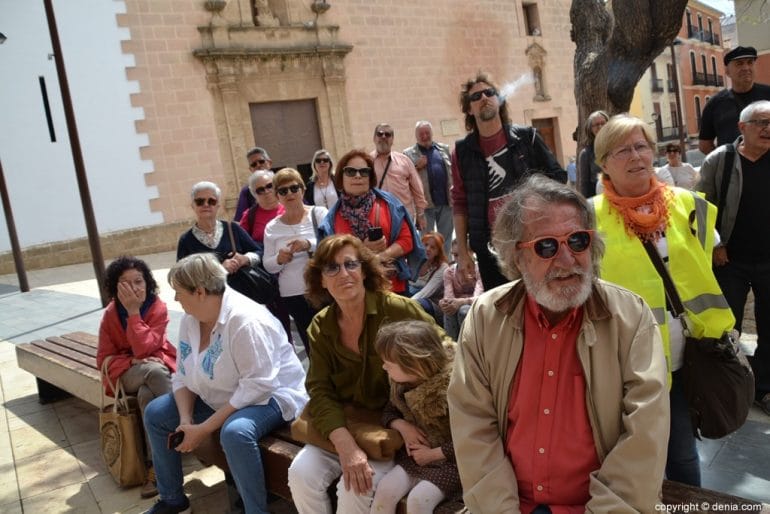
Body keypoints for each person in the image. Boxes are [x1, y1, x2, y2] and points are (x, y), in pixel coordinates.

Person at [447, 174, 670, 513]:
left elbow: (645, 436)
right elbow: (472, 425)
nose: (567, 260)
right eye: (547, 246)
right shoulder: (485, 317)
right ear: (517, 257)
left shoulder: (631, 317)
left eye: (577, 241)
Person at [593, 114, 736, 486]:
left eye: (641, 146)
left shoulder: (688, 204)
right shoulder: (588, 217)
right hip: (626, 361)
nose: (636, 156)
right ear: (604, 162)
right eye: (622, 150)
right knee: (631, 455)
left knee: (683, 456)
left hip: (687, 355)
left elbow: (706, 265)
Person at [287, 235, 444, 514]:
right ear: (321, 279)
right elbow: (320, 391)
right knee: (300, 474)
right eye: (332, 268)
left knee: (357, 486)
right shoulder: (320, 326)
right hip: (345, 423)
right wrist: (346, 445)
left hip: (394, 427)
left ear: (364, 270)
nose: (343, 273)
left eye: (351, 264)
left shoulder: (396, 309)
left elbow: (444, 355)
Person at [142, 253, 307, 514]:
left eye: (178, 292)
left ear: (199, 292)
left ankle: (256, 511)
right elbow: (183, 375)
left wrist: (204, 428)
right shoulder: (190, 319)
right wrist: (185, 420)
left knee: (235, 433)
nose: (175, 299)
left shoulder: (245, 321)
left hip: (271, 396)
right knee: (156, 413)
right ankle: (173, 500)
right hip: (221, 394)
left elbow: (257, 387)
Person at [451, 71, 567, 292]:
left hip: (532, 238)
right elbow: (459, 202)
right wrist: (463, 253)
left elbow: (558, 177)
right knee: (504, 305)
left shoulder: (527, 138)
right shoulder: (462, 152)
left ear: (499, 99)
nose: (484, 98)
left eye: (489, 93)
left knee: (542, 297)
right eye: (476, 96)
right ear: (469, 109)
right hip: (489, 248)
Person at [699, 100, 770, 415]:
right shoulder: (720, 160)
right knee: (727, 328)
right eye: (762, 122)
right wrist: (716, 245)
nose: (768, 129)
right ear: (742, 127)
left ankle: (763, 389)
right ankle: (727, 388)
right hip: (730, 262)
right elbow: (700, 207)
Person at [97, 256, 177, 499]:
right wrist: (131, 361)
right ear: (115, 287)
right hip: (126, 373)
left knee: (146, 396)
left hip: (154, 369)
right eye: (125, 283)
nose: (133, 288)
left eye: (138, 281)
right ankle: (184, 427)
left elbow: (147, 348)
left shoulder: (157, 307)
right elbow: (105, 358)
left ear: (147, 282)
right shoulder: (111, 314)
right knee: (155, 372)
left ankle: (157, 467)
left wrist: (134, 314)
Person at [370, 321, 460, 514]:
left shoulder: (452, 390)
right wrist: (401, 425)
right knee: (385, 490)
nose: (384, 367)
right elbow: (389, 412)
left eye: (389, 363)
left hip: (453, 463)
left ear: (414, 365)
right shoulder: (401, 385)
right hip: (416, 459)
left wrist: (433, 454)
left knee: (419, 500)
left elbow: (469, 438)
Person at [317, 149, 425, 296]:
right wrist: (363, 249)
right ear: (341, 177)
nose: (357, 176)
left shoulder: (390, 205)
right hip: (353, 292)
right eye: (350, 172)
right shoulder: (331, 219)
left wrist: (380, 257)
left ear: (370, 177)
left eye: (364, 172)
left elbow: (407, 240)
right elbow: (329, 257)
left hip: (392, 286)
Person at [263, 168, 327, 354]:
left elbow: (333, 244)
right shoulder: (272, 227)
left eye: (294, 188)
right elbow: (268, 264)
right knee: (311, 344)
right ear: (277, 196)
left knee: (334, 338)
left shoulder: (319, 214)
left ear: (303, 189)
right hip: (293, 294)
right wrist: (279, 258)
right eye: (283, 191)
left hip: (322, 287)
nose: (289, 194)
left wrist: (308, 244)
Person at [699, 46, 770, 155]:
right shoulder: (714, 104)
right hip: (734, 165)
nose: (746, 67)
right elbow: (704, 145)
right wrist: (726, 161)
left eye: (750, 62)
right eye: (739, 64)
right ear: (727, 71)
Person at [177, 181, 260, 272]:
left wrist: (245, 259)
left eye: (211, 201)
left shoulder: (233, 229)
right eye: (200, 201)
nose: (206, 204)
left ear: (218, 205)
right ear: (193, 206)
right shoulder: (186, 240)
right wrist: (219, 269)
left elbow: (259, 252)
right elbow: (181, 274)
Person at [403, 121, 454, 255]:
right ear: (416, 136)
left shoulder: (444, 149)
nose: (425, 136)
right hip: (424, 205)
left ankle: (445, 264)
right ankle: (428, 265)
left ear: (431, 133)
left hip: (445, 201)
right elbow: (404, 178)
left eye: (427, 133)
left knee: (446, 239)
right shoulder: (408, 154)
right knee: (426, 241)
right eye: (421, 134)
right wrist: (417, 167)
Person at [371, 123, 428, 229]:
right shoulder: (367, 162)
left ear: (392, 140)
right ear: (374, 138)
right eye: (380, 134)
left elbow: (417, 189)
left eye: (388, 134)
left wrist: (420, 214)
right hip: (378, 217)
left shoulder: (404, 160)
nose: (383, 137)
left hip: (404, 216)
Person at [439, 240, 483, 340]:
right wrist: (445, 302)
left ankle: (467, 343)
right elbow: (449, 296)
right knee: (448, 310)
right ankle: (451, 344)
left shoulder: (479, 270)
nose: (458, 259)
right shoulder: (449, 272)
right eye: (455, 255)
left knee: (464, 310)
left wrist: (462, 302)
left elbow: (479, 297)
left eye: (461, 254)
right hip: (456, 308)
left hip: (476, 306)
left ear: (471, 253)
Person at [239, 170, 285, 250]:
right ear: (254, 194)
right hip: (263, 256)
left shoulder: (290, 207)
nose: (266, 191)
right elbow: (242, 243)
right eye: (260, 190)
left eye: (269, 186)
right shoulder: (249, 215)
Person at [409, 232, 449, 325]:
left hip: (431, 302)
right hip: (411, 297)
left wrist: (404, 304)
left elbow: (426, 292)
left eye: (433, 247)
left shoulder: (442, 267)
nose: (428, 249)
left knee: (420, 303)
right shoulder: (414, 261)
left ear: (438, 252)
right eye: (425, 245)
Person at [235, 146, 274, 222]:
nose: (258, 165)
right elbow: (240, 220)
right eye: (253, 164)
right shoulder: (247, 191)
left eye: (261, 161)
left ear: (269, 163)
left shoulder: (282, 183)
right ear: (251, 169)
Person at [577, 110, 609, 198]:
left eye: (603, 123)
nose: (600, 126)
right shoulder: (586, 154)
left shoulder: (618, 146)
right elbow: (584, 185)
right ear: (590, 129)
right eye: (596, 124)